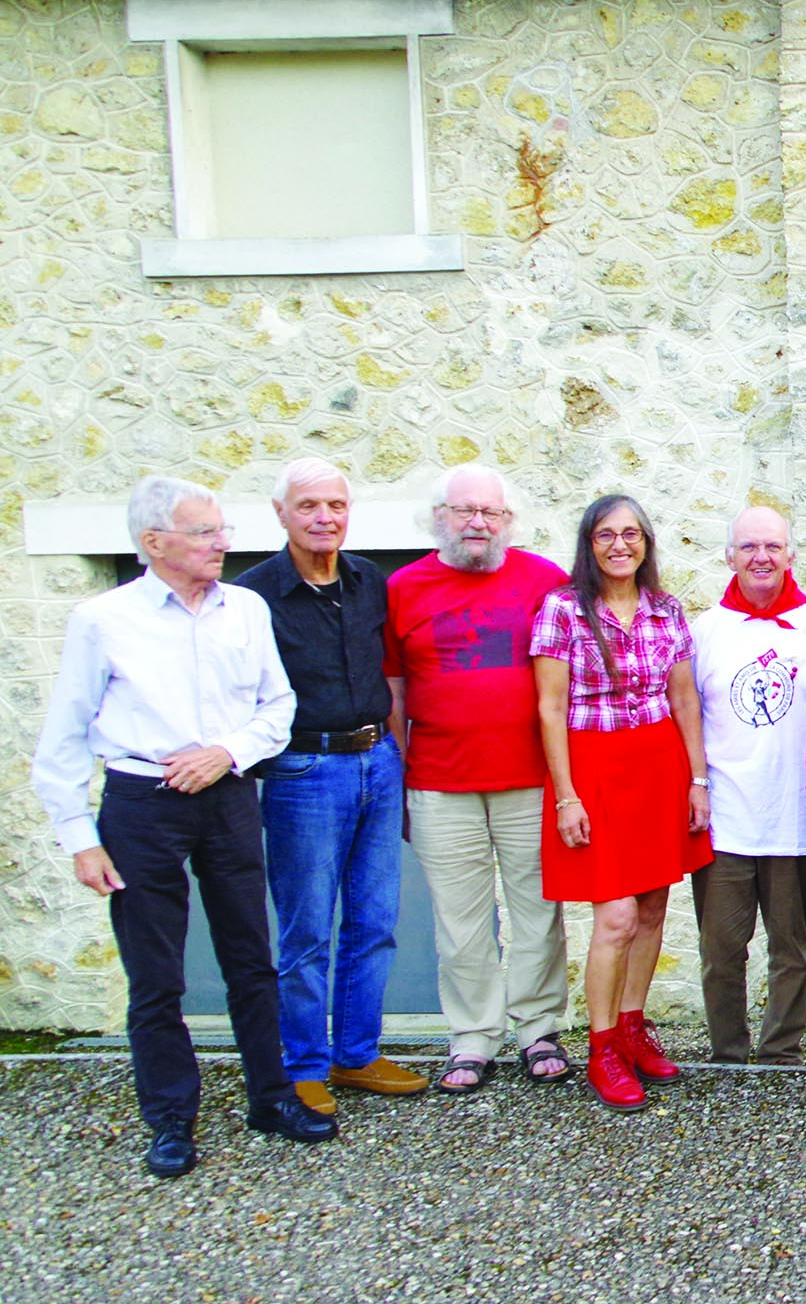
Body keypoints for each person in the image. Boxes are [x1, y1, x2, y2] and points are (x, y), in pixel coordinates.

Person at [33, 476, 332, 1177]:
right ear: (153, 542)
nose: (220, 542)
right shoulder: (102, 620)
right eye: (203, 532)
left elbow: (276, 705)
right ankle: (170, 1117)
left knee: (252, 959)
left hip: (226, 795)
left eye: (221, 528)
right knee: (156, 973)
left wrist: (226, 751)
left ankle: (270, 1095)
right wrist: (80, 835)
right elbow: (65, 736)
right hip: (141, 804)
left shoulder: (246, 610)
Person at [235, 458, 426, 1115]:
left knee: (374, 920)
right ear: (281, 512)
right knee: (307, 930)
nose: (324, 518)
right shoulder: (253, 594)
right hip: (303, 771)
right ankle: (303, 1064)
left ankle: (356, 1054)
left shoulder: (368, 580)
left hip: (377, 758)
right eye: (310, 505)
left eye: (336, 506)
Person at [385, 465, 571, 1097]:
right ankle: (472, 1036)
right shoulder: (404, 588)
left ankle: (538, 1028)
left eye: (491, 513)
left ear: (508, 522)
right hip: (440, 782)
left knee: (537, 910)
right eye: (463, 511)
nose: (477, 523)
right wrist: (403, 772)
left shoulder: (544, 579)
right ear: (437, 516)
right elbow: (393, 691)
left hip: (529, 779)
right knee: (460, 921)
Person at [532, 494, 713, 1112]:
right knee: (615, 917)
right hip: (595, 770)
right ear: (589, 544)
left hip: (659, 768)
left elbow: (685, 700)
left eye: (632, 534)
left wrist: (697, 780)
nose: (620, 545)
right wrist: (566, 797)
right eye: (606, 535)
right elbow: (550, 708)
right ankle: (602, 1044)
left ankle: (634, 1029)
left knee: (655, 908)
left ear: (646, 543)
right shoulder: (561, 610)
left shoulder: (666, 609)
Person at [687, 505, 806, 1066]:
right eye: (748, 547)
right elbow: (687, 715)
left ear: (791, 554)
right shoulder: (704, 632)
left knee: (789, 948)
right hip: (726, 814)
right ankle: (727, 1052)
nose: (761, 557)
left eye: (772, 546)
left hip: (795, 813)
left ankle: (779, 1053)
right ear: (729, 556)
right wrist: (695, 786)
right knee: (721, 948)